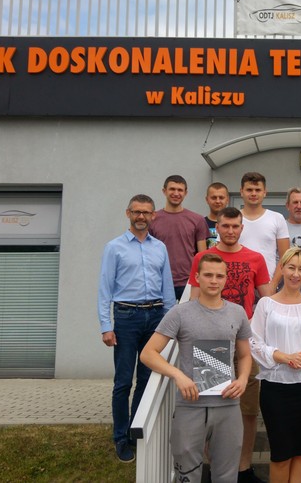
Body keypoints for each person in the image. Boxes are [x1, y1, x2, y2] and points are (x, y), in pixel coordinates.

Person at [140, 253, 252, 483]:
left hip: (228, 405)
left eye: (219, 276)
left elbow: (244, 355)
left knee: (226, 476)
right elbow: (148, 353)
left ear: (226, 279)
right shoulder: (180, 313)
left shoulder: (237, 312)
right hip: (190, 405)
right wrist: (177, 375)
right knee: (187, 475)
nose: (214, 280)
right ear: (197, 277)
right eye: (208, 275)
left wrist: (242, 380)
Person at [188, 206, 273, 483]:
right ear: (218, 228)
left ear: (242, 228)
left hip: (244, 344)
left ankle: (243, 469)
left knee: (247, 410)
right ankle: (214, 468)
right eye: (225, 226)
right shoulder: (202, 258)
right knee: (210, 410)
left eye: (236, 226)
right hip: (211, 344)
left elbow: (268, 301)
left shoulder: (255, 258)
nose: (230, 231)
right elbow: (193, 302)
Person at [97, 194, 176, 462]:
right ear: (128, 213)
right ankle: (120, 437)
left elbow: (167, 287)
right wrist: (106, 326)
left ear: (153, 215)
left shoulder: (160, 248)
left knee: (146, 378)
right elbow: (105, 289)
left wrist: (170, 322)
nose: (141, 216)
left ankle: (135, 431)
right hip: (126, 317)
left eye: (146, 212)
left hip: (155, 317)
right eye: (136, 212)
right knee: (123, 381)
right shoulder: (114, 247)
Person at [249, 247, 301, 483]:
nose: (296, 274)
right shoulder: (266, 304)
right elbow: (254, 342)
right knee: (281, 454)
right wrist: (284, 357)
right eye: (291, 267)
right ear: (282, 268)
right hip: (276, 388)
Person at [148, 175, 208, 300]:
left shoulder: (197, 220)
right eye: (172, 189)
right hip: (160, 281)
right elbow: (147, 252)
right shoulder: (152, 219)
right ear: (164, 191)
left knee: (190, 313)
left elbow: (202, 256)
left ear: (186, 193)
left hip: (189, 282)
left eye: (180, 190)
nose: (176, 193)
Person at [238, 172, 290, 280]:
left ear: (265, 192)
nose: (253, 193)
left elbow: (285, 257)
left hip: (267, 283)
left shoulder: (277, 218)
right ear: (241, 192)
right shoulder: (231, 218)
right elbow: (221, 252)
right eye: (249, 190)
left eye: (258, 190)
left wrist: (273, 284)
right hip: (236, 283)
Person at [204, 182, 230, 249]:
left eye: (221, 198)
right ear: (207, 200)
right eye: (214, 198)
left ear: (227, 200)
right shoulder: (200, 223)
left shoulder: (234, 225)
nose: (217, 201)